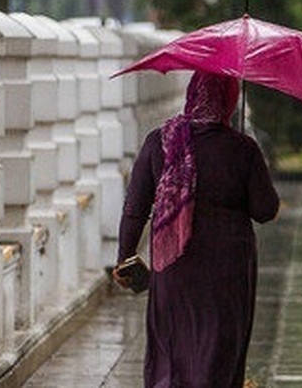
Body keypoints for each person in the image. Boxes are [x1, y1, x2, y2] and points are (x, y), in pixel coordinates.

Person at [114, 71, 281, 388]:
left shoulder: (159, 142)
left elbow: (135, 208)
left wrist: (125, 258)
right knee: (218, 347)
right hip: (228, 269)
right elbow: (265, 210)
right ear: (229, 100)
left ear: (192, 93)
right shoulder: (243, 149)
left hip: (174, 265)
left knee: (171, 345)